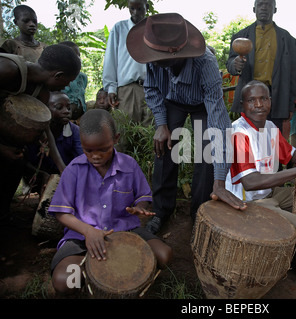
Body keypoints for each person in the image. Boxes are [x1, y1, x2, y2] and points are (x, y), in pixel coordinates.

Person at [126, 13, 246, 234]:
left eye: (160, 59)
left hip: (202, 104)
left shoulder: (205, 64)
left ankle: (199, 215)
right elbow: (152, 89)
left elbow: (219, 124)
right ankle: (161, 213)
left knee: (206, 153)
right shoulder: (154, 59)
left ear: (178, 54)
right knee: (165, 148)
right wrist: (161, 124)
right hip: (173, 102)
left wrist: (220, 181)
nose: (154, 62)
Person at [49, 109, 173, 295]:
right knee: (66, 281)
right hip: (82, 237)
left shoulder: (129, 165)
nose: (96, 156)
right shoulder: (73, 170)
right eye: (88, 150)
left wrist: (139, 208)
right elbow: (61, 212)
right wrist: (88, 231)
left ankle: (134, 281)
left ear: (115, 138)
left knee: (165, 256)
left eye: (103, 149)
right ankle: (92, 282)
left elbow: (143, 197)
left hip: (126, 231)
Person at [225, 80, 296, 236]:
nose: (259, 104)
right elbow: (251, 182)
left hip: (268, 193)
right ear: (242, 104)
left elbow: (290, 154)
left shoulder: (270, 126)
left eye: (264, 98)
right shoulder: (238, 133)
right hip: (246, 202)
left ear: (270, 101)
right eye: (251, 100)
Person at [0, 44, 81, 224]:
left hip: (7, 142)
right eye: (66, 82)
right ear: (57, 75)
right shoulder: (8, 69)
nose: (66, 87)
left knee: (14, 168)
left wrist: (62, 168)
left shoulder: (42, 92)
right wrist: (2, 148)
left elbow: (45, 128)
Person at [226, 0, 296, 140]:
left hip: (276, 97)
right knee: (249, 140)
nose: (264, 7)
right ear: (254, 9)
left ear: (275, 9)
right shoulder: (240, 36)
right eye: (260, 4)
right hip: (250, 96)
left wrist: (290, 105)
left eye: (268, 4)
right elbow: (230, 64)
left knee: (273, 140)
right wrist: (235, 64)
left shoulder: (288, 39)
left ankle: (272, 162)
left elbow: (291, 75)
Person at [23, 91, 83, 195]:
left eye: (69, 108)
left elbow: (82, 160)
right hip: (37, 177)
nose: (66, 111)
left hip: (65, 177)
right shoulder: (34, 131)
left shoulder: (75, 131)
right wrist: (43, 175)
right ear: (45, 110)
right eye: (59, 107)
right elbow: (24, 162)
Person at [102, 0, 152, 124]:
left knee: (149, 136)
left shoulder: (154, 29)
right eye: (132, 8)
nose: (135, 13)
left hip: (152, 89)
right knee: (125, 135)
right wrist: (111, 89)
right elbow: (111, 59)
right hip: (127, 90)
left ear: (147, 7)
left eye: (140, 9)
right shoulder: (119, 28)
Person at [60, 41, 88, 122]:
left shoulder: (82, 77)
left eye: (79, 56)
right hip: (64, 120)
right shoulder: (58, 78)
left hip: (80, 119)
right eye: (74, 56)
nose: (78, 59)